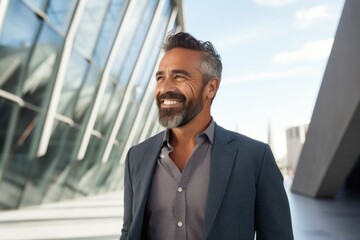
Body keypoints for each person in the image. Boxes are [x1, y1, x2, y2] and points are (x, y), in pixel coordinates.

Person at [120, 32, 293, 240]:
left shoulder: (255, 157)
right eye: (160, 78)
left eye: (179, 77)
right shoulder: (136, 157)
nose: (164, 88)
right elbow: (129, 232)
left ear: (210, 88)